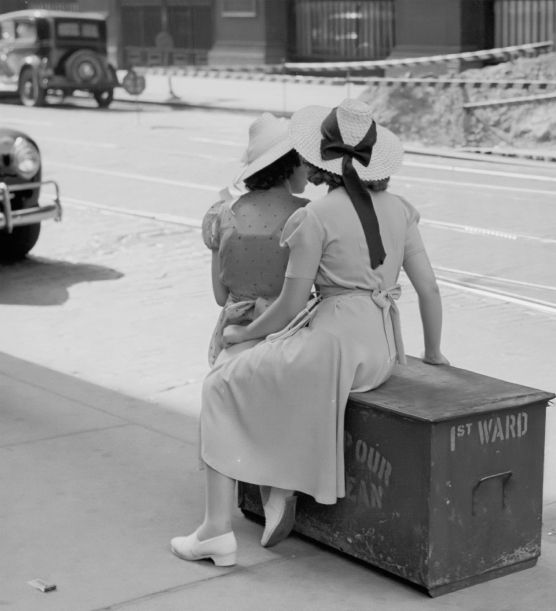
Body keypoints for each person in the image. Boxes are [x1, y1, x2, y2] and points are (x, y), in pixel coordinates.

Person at [171, 99, 449, 566]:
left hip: (335, 347)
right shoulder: (402, 210)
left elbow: (288, 308)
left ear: (322, 162)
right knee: (275, 371)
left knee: (221, 384)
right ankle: (276, 482)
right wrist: (435, 353)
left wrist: (242, 335)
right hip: (382, 353)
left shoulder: (315, 218)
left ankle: (216, 529)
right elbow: (429, 289)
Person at [202, 112, 309, 366]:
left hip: (233, 338)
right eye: (304, 160)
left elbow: (220, 296)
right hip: (288, 335)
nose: (308, 168)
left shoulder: (222, 213)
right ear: (290, 165)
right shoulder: (306, 215)